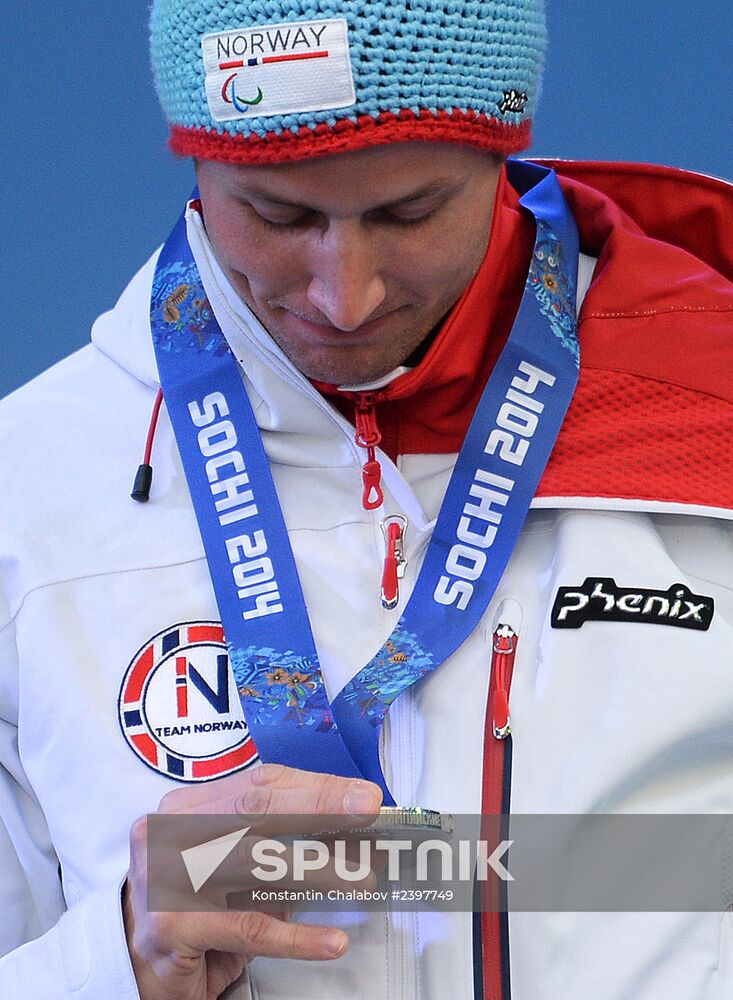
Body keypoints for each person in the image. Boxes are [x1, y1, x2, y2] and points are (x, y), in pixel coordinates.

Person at [1, 0, 732, 998]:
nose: (344, 294)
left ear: (502, 159)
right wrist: (118, 954)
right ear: (196, 170)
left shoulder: (709, 399)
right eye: (278, 214)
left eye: (407, 213)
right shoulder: (28, 482)